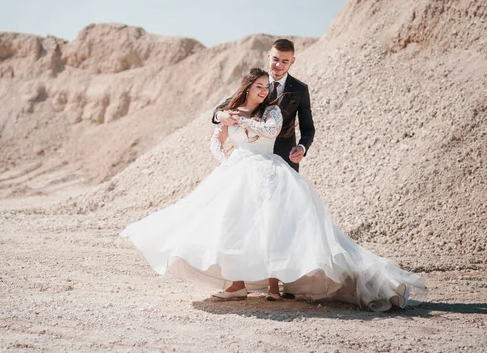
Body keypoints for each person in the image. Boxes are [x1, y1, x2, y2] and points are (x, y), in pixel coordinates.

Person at [121, 68, 426, 311]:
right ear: (247, 87)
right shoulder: (231, 110)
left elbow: (270, 132)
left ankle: (274, 287)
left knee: (271, 227)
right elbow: (216, 139)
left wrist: (242, 120)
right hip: (237, 171)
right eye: (259, 87)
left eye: (267, 88)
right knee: (232, 226)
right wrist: (225, 156)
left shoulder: (272, 112)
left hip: (269, 171)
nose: (265, 91)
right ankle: (236, 285)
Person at [213, 38, 314, 173]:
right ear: (268, 56)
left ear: (292, 61)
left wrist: (302, 147)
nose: (279, 65)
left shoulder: (300, 89)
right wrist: (220, 115)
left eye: (285, 61)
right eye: (275, 59)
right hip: (253, 158)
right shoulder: (255, 80)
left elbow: (308, 127)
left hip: (285, 156)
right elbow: (226, 106)